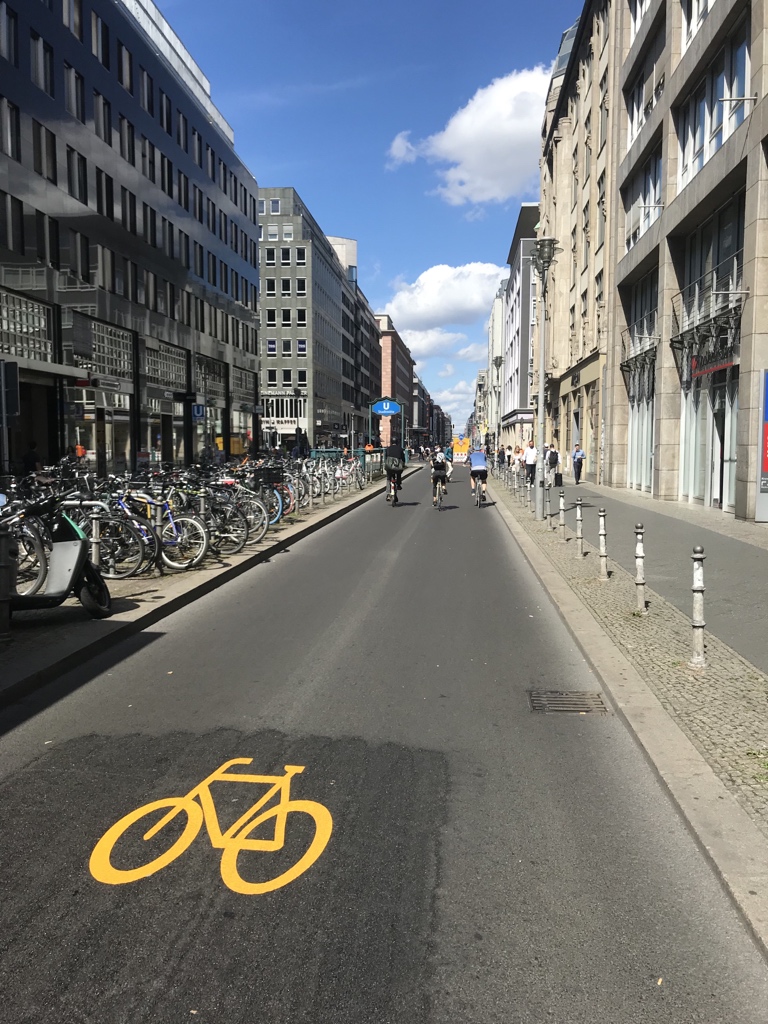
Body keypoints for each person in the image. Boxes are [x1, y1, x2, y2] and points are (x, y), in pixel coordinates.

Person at [384, 438, 406, 503]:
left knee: (388, 478)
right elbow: (403, 458)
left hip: (389, 467)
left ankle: (388, 493)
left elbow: (386, 457)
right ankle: (398, 485)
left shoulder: (388, 448)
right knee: (398, 474)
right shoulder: (400, 449)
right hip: (397, 466)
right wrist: (403, 464)